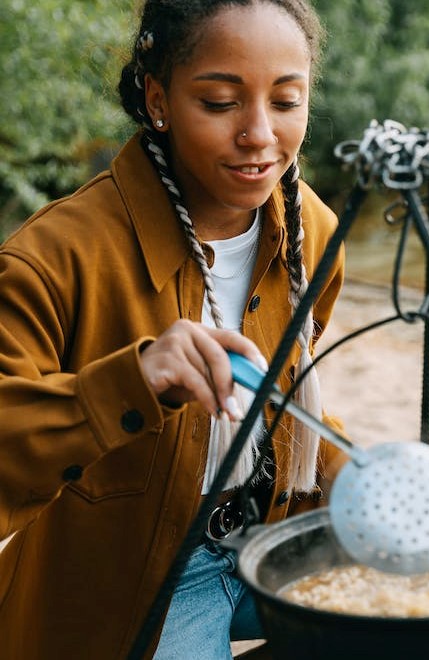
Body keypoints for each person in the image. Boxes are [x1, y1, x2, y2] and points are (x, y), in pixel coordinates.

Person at [0, 1, 348, 658]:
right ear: (157, 99)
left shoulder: (312, 231)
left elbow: (275, 401)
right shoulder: (51, 259)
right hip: (140, 582)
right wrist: (131, 382)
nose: (258, 133)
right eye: (219, 102)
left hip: (267, 535)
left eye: (285, 101)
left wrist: (342, 468)